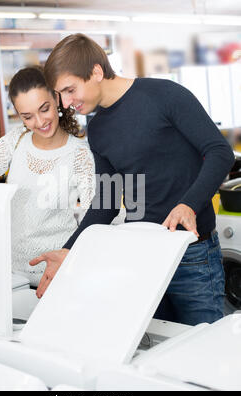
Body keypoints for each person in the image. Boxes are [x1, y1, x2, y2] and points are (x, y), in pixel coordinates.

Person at [30, 34, 235, 326]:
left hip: (193, 254)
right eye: (60, 94)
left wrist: (188, 204)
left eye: (69, 90)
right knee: (154, 351)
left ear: (97, 72)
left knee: (203, 348)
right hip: (144, 255)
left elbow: (219, 152)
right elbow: (108, 202)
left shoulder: (165, 95)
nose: (65, 103)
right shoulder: (98, 128)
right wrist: (69, 249)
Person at [0, 66, 95, 287]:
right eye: (27, 116)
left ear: (56, 98)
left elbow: (94, 216)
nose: (40, 122)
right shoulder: (16, 141)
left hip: (57, 274)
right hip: (12, 275)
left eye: (44, 109)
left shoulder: (80, 154)